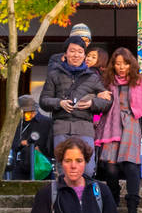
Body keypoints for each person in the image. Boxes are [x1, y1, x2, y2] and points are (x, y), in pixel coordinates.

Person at [96, 47, 142, 213]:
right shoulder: (106, 82)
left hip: (131, 124)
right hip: (110, 123)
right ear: (113, 66)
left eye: (125, 63)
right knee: (110, 167)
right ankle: (114, 197)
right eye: (117, 64)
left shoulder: (139, 82)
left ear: (131, 64)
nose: (121, 67)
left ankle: (132, 208)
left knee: (131, 166)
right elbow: (99, 104)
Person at [42, 31, 111, 171]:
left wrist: (92, 103)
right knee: (64, 169)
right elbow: (44, 101)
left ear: (84, 55)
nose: (76, 55)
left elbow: (108, 102)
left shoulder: (92, 77)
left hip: (85, 127)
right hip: (61, 126)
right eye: (72, 51)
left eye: (80, 52)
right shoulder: (54, 75)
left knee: (87, 168)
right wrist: (59, 103)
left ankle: (83, 193)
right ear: (65, 54)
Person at [11, 94, 55, 180]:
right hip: (20, 167)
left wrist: (41, 150)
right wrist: (20, 143)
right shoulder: (16, 123)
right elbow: (11, 144)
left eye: (32, 111)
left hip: (41, 166)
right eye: (26, 112)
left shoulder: (47, 122)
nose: (30, 114)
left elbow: (52, 146)